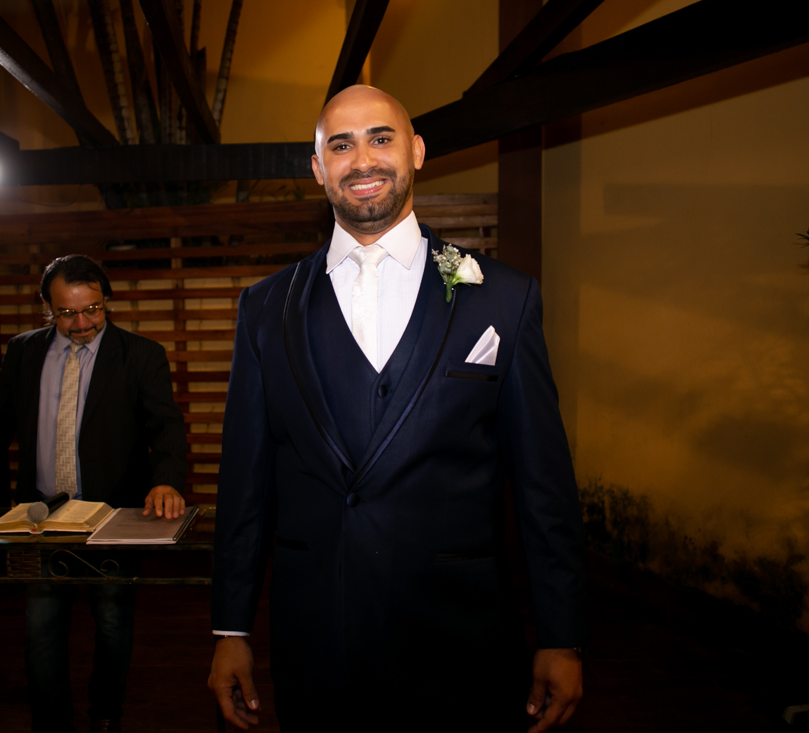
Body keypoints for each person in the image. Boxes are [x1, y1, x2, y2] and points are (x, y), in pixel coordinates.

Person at [207, 86, 588, 732]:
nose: (363, 160)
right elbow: (245, 481)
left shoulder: (502, 297)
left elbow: (543, 484)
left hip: (461, 636)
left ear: (415, 151)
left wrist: (562, 634)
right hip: (317, 636)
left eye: (380, 138)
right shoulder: (266, 307)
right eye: (341, 145)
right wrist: (230, 627)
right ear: (318, 168)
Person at [0, 254, 188, 733]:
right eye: (67, 313)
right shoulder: (23, 351)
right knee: (41, 626)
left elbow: (165, 426)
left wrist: (166, 479)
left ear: (106, 301)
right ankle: (50, 725)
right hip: (39, 517)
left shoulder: (141, 354)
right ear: (46, 307)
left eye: (92, 309)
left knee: (113, 622)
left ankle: (105, 716)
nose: (82, 323)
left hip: (111, 517)